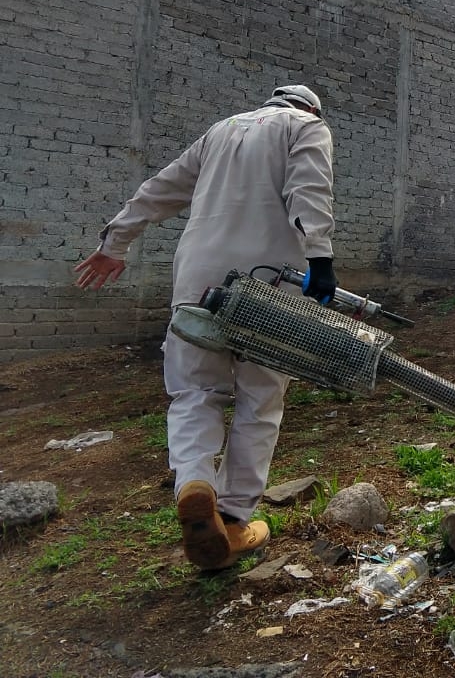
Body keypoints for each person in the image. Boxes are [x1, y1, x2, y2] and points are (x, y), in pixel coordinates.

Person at [74, 85, 338, 571]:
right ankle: (234, 518)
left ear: (269, 102)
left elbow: (161, 188)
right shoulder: (307, 128)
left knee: (195, 391)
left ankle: (195, 483)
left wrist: (116, 241)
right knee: (260, 397)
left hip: (197, 279)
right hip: (270, 280)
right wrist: (320, 258)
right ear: (311, 109)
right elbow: (310, 190)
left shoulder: (221, 131)